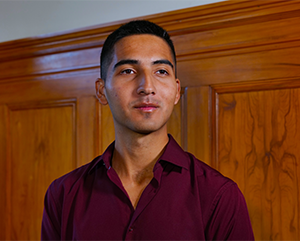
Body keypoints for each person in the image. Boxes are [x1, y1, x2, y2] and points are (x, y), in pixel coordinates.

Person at [41, 20, 254, 241]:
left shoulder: (219, 196)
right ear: (102, 91)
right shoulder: (63, 194)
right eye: (128, 71)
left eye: (161, 71)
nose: (147, 87)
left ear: (177, 90)